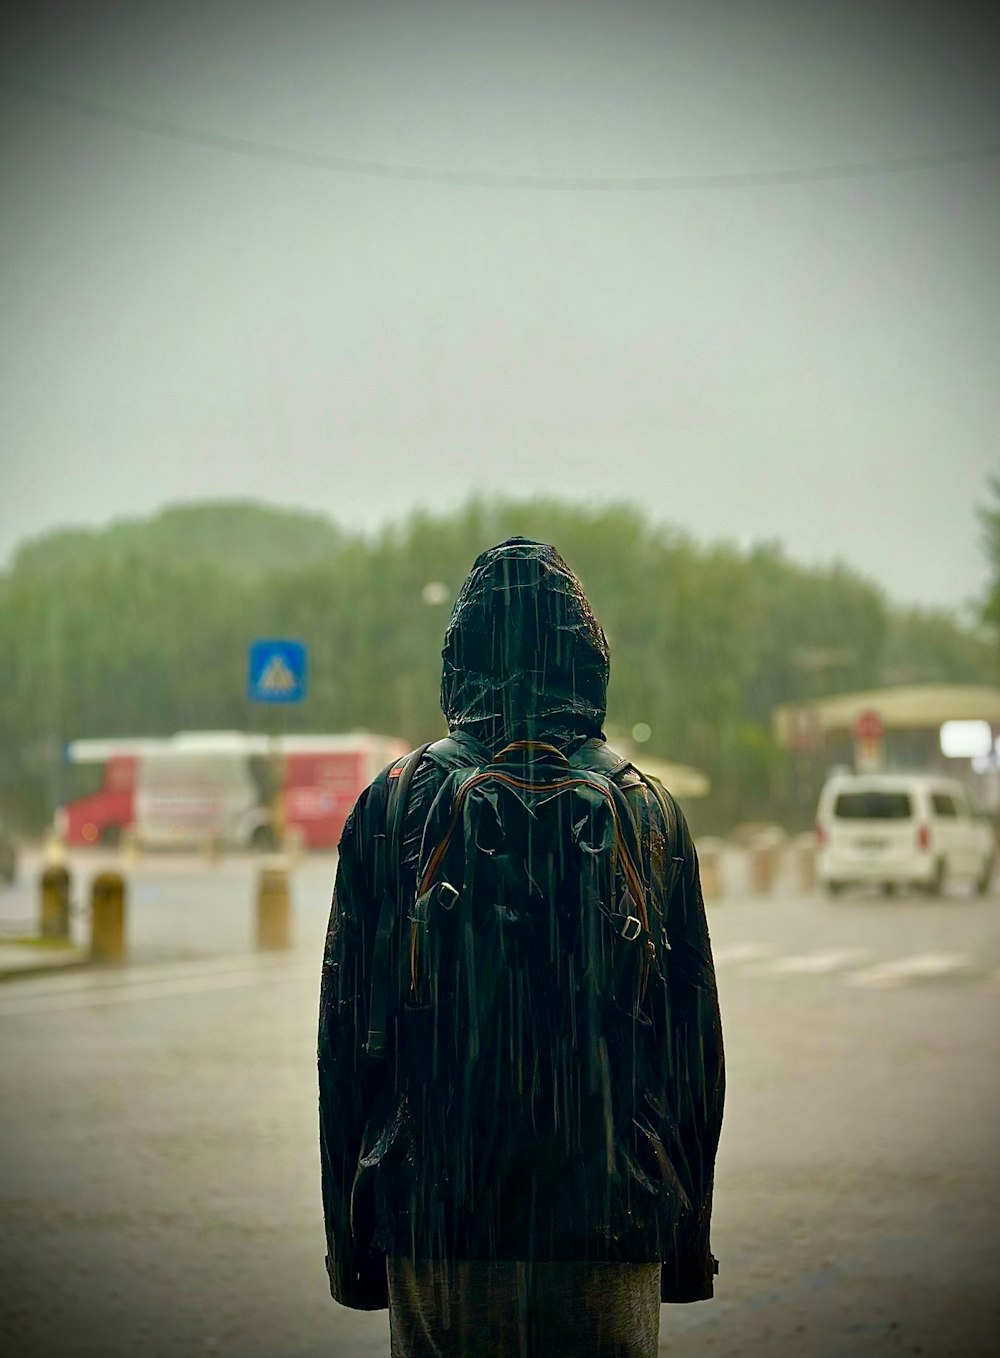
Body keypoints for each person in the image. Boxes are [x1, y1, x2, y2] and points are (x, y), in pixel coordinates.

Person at [318, 538, 725, 1357]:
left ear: (458, 658)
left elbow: (347, 1050)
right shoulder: (647, 811)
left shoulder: (394, 804)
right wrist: (682, 1245)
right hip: (611, 1221)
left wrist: (355, 1248)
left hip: (438, 1225)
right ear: (588, 658)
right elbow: (692, 1058)